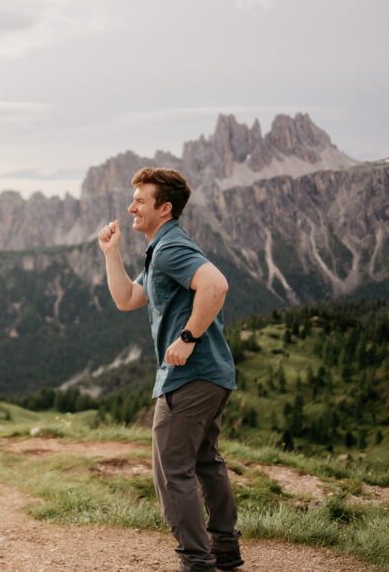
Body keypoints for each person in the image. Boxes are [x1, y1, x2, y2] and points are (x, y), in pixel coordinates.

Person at [97, 167, 242, 572]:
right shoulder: (162, 248)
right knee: (205, 461)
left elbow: (216, 285)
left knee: (170, 471)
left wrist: (188, 338)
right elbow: (128, 298)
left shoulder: (171, 247)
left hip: (190, 376)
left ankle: (196, 561)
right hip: (212, 374)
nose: (131, 208)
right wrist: (111, 253)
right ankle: (224, 549)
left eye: (140, 201)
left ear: (164, 208)